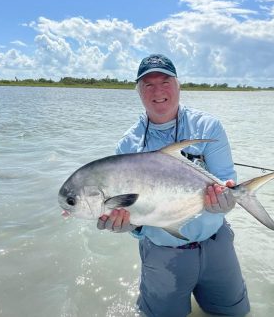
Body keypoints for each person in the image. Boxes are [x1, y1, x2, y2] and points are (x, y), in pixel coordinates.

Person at [97, 54, 250, 317]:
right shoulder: (127, 145)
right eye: (148, 84)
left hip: (216, 246)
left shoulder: (208, 127)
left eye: (165, 82)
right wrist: (127, 224)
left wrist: (226, 199)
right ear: (138, 91)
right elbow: (134, 212)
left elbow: (226, 178)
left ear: (179, 85)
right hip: (162, 254)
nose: (158, 91)